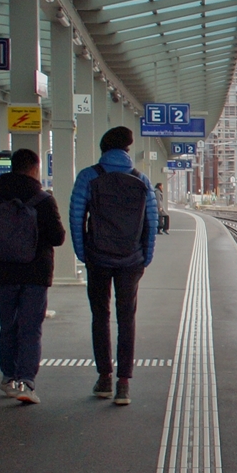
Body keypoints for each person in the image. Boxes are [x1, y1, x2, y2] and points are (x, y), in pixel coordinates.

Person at [70, 127, 158, 406]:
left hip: (98, 257)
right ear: (127, 150)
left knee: (100, 316)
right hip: (131, 259)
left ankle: (105, 378)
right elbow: (152, 223)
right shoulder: (141, 180)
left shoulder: (88, 176)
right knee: (126, 318)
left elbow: (75, 218)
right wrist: (145, 257)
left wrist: (83, 253)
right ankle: (123, 385)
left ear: (103, 149)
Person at [0, 148, 67, 404]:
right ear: (35, 168)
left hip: (3, 268)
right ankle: (26, 382)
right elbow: (58, 238)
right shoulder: (43, 199)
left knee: (8, 326)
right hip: (35, 271)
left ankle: (7, 377)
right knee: (30, 328)